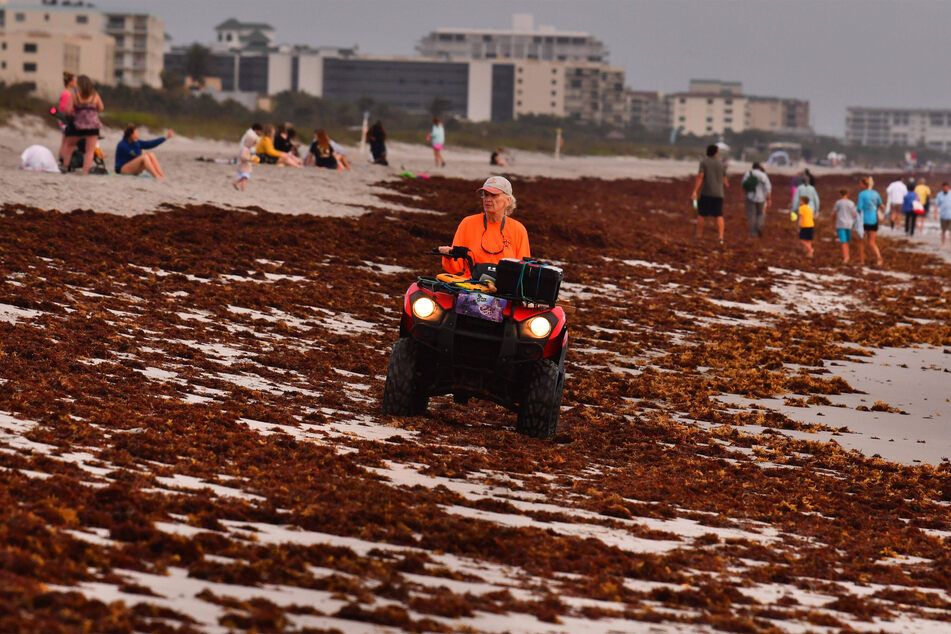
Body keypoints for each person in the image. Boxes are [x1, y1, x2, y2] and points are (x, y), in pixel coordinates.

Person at [438, 176, 529, 277]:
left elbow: (523, 271)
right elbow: (454, 268)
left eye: (494, 195)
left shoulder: (518, 229)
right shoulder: (467, 223)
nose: (488, 199)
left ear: (508, 200)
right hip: (470, 286)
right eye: (485, 195)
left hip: (502, 289)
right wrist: (448, 256)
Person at [61, 75, 103, 175]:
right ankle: (85, 171)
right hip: (93, 126)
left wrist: (76, 113)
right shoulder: (94, 95)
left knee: (70, 145)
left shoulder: (75, 95)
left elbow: (68, 111)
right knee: (90, 150)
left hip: (78, 125)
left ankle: (65, 166)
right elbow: (101, 108)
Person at [689, 144, 728, 243]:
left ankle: (699, 235)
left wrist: (695, 191)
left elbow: (701, 176)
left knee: (701, 214)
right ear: (716, 153)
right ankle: (720, 237)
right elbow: (725, 179)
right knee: (719, 214)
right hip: (719, 193)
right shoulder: (721, 164)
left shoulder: (704, 162)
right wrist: (726, 185)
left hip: (706, 192)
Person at [856, 176, 884, 267]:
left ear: (864, 184)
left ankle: (862, 261)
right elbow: (880, 204)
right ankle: (879, 258)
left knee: (860, 242)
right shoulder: (875, 193)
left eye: (860, 183)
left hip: (864, 221)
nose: (859, 185)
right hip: (874, 220)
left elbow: (859, 208)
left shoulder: (862, 194)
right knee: (871, 242)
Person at [741, 162, 771, 238]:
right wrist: (769, 199)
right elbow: (768, 188)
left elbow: (743, 184)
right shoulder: (763, 175)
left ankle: (753, 234)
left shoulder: (748, 173)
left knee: (752, 216)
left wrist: (745, 193)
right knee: (760, 214)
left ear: (753, 167)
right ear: (759, 167)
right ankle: (758, 226)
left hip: (750, 197)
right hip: (761, 198)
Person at [832, 188, 858, 264]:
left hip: (841, 224)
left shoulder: (838, 203)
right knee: (847, 241)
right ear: (848, 194)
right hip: (849, 224)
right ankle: (847, 256)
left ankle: (846, 257)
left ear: (840, 194)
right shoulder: (851, 203)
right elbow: (854, 214)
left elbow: (834, 213)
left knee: (843, 242)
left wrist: (833, 222)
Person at [56, 71, 77, 166]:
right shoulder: (66, 94)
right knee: (65, 140)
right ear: (70, 82)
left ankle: (62, 157)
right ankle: (62, 157)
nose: (76, 83)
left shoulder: (69, 93)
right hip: (65, 120)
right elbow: (64, 108)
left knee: (65, 140)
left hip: (65, 120)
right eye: (74, 81)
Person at [936, 182, 951, 249]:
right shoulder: (940, 194)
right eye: (944, 188)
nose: (945, 189)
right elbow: (937, 205)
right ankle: (943, 244)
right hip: (943, 215)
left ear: (948, 187)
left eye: (946, 188)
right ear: (942, 188)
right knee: (943, 231)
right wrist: (935, 213)